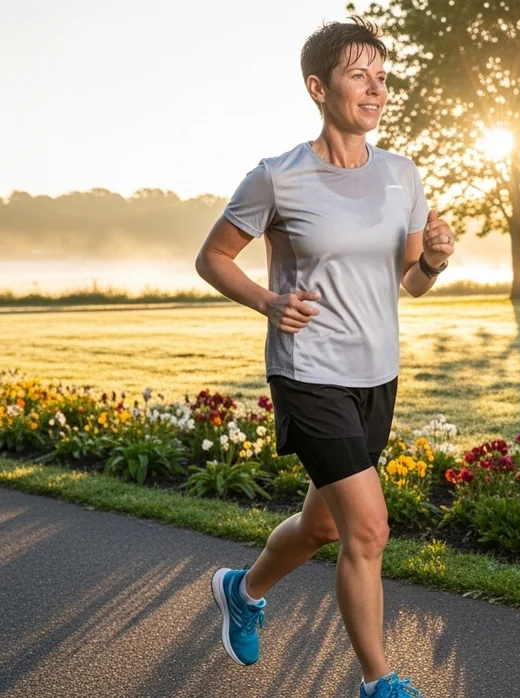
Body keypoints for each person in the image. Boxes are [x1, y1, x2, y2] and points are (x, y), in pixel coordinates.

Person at [193, 16, 452, 698]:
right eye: (359, 74)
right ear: (318, 86)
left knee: (323, 525)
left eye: (383, 77)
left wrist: (434, 260)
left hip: (377, 375)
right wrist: (268, 303)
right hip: (308, 373)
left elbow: (410, 284)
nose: (376, 89)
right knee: (368, 528)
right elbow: (212, 258)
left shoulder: (403, 176)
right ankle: (380, 682)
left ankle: (242, 592)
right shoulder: (278, 177)